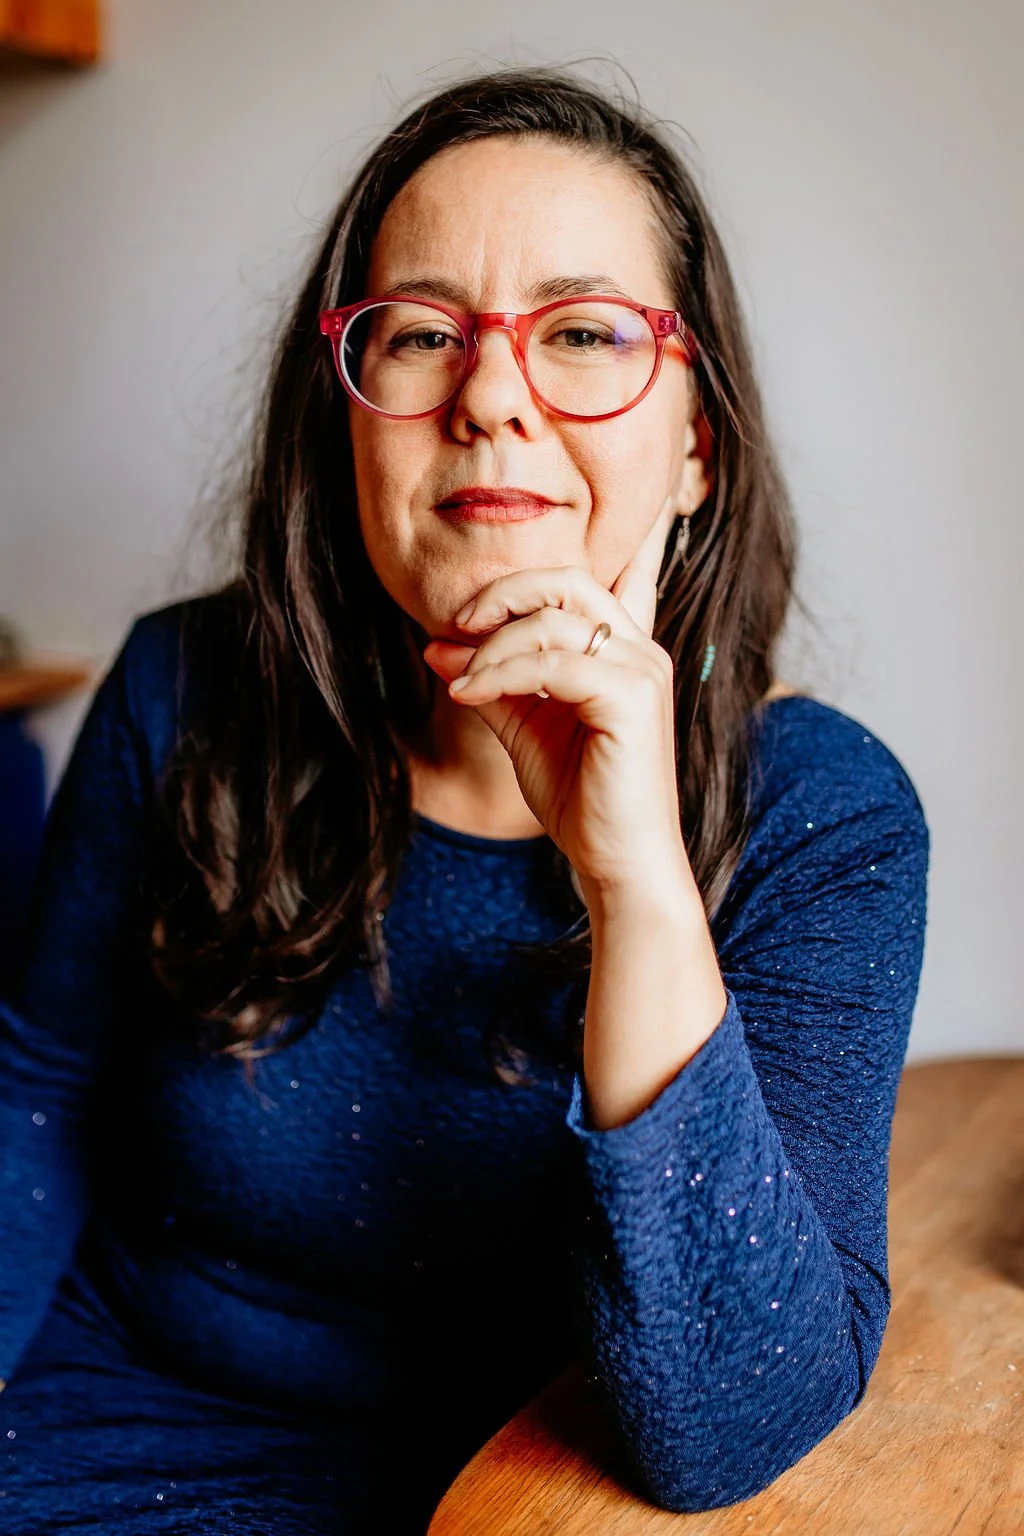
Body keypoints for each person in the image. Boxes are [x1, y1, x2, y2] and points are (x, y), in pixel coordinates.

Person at [0, 67, 930, 1534]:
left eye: (582, 332)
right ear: (347, 427)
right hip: (87, 1432)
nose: (490, 396)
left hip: (497, 1509)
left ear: (697, 446)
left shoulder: (830, 817)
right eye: (424, 334)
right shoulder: (182, 689)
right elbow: (37, 1090)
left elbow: (730, 1427)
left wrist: (634, 875)